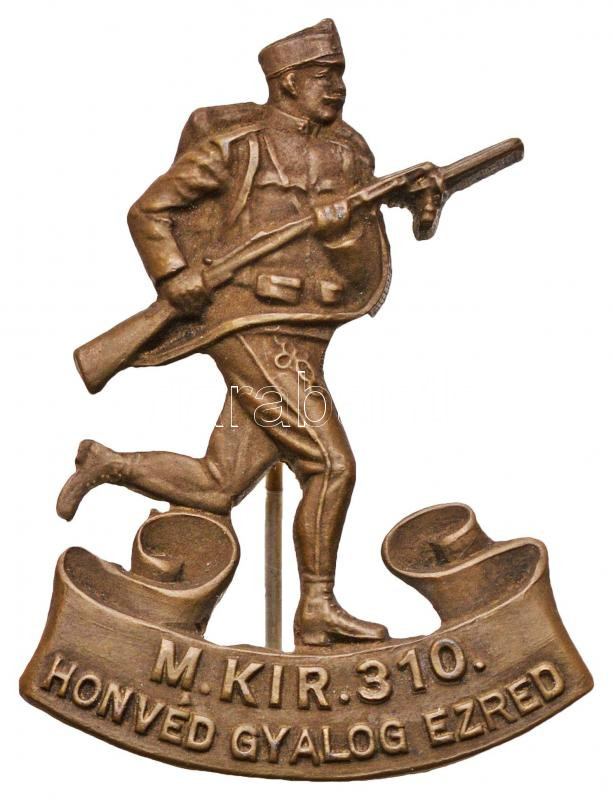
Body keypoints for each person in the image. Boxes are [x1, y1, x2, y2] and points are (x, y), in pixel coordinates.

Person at [57, 19, 394, 646]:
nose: (338, 88)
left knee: (221, 481)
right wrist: (174, 275)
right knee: (330, 465)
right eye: (324, 76)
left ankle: (109, 463)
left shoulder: (351, 153)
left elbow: (361, 261)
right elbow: (149, 211)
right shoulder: (236, 146)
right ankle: (316, 607)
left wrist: (345, 230)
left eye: (341, 75)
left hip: (308, 331)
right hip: (249, 323)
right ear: (288, 81)